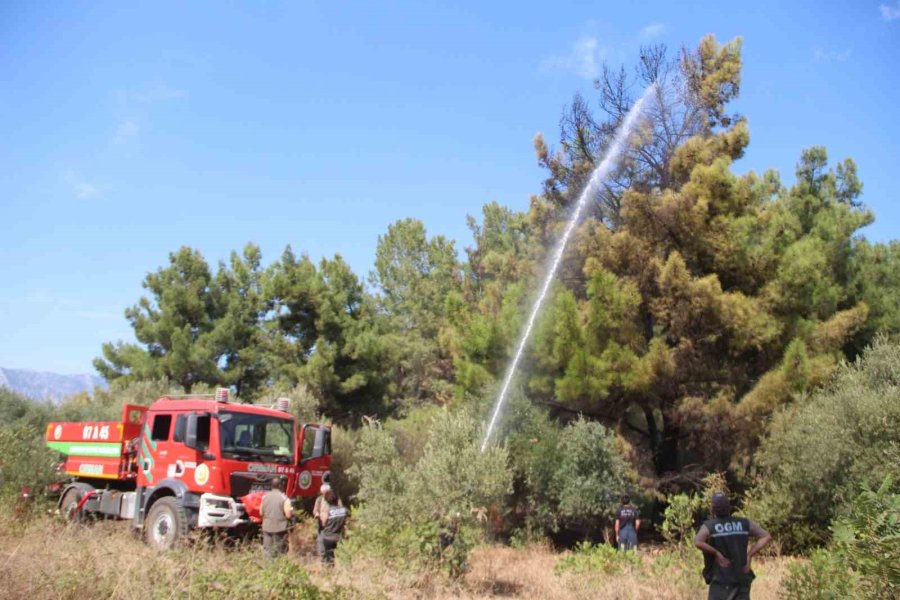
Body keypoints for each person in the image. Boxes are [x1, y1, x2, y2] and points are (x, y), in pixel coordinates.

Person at [694, 492, 772, 600]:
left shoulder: (709, 526)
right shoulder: (744, 523)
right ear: (729, 507)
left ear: (713, 509)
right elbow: (766, 536)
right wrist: (749, 555)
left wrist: (716, 553)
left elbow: (698, 541)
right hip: (741, 578)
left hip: (721, 581)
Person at [261, 476, 294, 558]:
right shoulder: (284, 498)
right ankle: (278, 566)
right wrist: (292, 513)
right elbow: (288, 515)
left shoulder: (265, 497)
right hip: (280, 528)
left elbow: (261, 512)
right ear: (280, 486)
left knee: (268, 553)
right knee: (280, 553)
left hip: (266, 527)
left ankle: (269, 566)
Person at [316, 484, 347, 565]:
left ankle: (329, 569)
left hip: (329, 535)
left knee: (329, 557)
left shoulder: (329, 510)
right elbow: (345, 521)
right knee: (341, 556)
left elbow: (324, 523)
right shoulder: (344, 510)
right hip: (338, 535)